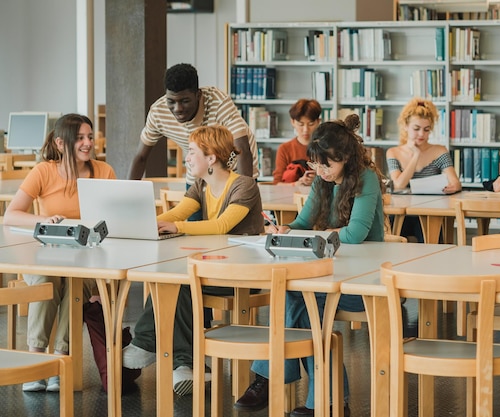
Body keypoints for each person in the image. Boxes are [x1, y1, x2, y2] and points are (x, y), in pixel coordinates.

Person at [234, 114, 385, 417]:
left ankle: (268, 376)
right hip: (329, 274)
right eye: (316, 164)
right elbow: (304, 221)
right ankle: (328, 401)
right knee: (299, 299)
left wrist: (307, 235)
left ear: (345, 157)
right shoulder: (322, 179)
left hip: (364, 280)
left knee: (296, 298)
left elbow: (355, 234)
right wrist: (287, 229)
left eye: (327, 165)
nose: (321, 172)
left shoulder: (366, 177)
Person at [122, 125, 265, 396]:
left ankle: (155, 347)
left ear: (211, 158)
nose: (187, 158)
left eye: (192, 152)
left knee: (182, 281)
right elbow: (177, 214)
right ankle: (183, 364)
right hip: (213, 270)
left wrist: (180, 228)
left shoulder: (244, 185)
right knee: (173, 278)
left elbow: (222, 225)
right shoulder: (201, 186)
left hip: (243, 274)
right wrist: (140, 225)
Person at [3, 113, 122, 392]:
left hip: (89, 259)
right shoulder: (44, 171)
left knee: (75, 285)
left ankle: (59, 362)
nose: (87, 143)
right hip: (47, 257)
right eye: (80, 138)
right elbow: (11, 215)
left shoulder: (104, 171)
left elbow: (116, 220)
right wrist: (43, 220)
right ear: (60, 143)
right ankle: (35, 361)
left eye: (90, 137)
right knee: (47, 280)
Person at [129, 62, 258, 188]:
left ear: (198, 95)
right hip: (198, 169)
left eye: (185, 101)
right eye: (171, 101)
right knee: (193, 208)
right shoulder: (158, 112)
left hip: (235, 167)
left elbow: (242, 149)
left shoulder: (218, 103)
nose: (178, 108)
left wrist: (243, 195)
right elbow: (140, 157)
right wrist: (127, 193)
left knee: (235, 205)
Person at [386, 98, 461, 241]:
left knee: (429, 237)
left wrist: (453, 187)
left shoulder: (439, 151)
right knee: (392, 235)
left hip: (429, 213)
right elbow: (398, 185)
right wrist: (416, 156)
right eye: (416, 129)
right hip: (402, 214)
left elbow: (456, 183)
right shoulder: (393, 152)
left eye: (426, 130)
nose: (421, 134)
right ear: (405, 126)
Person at [272, 98, 321, 186]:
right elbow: (277, 184)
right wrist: (297, 184)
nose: (305, 130)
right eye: (301, 124)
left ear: (318, 122)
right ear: (293, 122)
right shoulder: (285, 149)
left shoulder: (325, 147)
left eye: (310, 124)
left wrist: (318, 180)